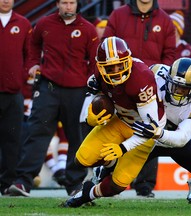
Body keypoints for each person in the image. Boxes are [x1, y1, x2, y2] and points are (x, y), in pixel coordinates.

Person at [92, 57, 191, 205]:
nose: (177, 91)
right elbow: (125, 80)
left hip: (173, 140)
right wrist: (102, 85)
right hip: (145, 137)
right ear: (168, 78)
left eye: (184, 88)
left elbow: (181, 138)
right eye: (175, 85)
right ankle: (95, 182)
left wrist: (158, 133)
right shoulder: (156, 73)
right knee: (112, 170)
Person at [8, 0, 99, 197]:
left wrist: (93, 89)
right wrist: (32, 64)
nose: (68, 7)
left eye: (72, 3)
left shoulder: (88, 29)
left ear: (77, 5)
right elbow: (32, 45)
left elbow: (94, 61)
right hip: (48, 86)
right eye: (64, 2)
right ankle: (23, 181)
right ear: (57, 4)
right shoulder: (44, 24)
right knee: (37, 132)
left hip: (77, 89)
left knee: (77, 137)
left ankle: (74, 185)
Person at [64, 36, 166, 207]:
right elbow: (94, 93)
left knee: (117, 185)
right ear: (101, 66)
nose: (117, 70)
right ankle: (107, 165)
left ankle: (89, 192)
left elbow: (151, 128)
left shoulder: (140, 78)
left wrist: (122, 148)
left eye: (120, 64)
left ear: (128, 60)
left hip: (145, 132)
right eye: (111, 67)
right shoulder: (98, 74)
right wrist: (92, 117)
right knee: (82, 158)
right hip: (120, 122)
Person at [102, 0, 176, 197]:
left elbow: (169, 55)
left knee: (152, 129)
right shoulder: (118, 15)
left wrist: (161, 81)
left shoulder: (165, 20)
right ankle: (107, 179)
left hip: (149, 87)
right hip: (120, 85)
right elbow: (103, 48)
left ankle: (145, 185)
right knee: (113, 129)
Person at [0, 0, 32, 196]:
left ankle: (7, 182)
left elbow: (30, 55)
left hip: (13, 93)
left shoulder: (24, 23)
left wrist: (21, 77)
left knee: (12, 140)